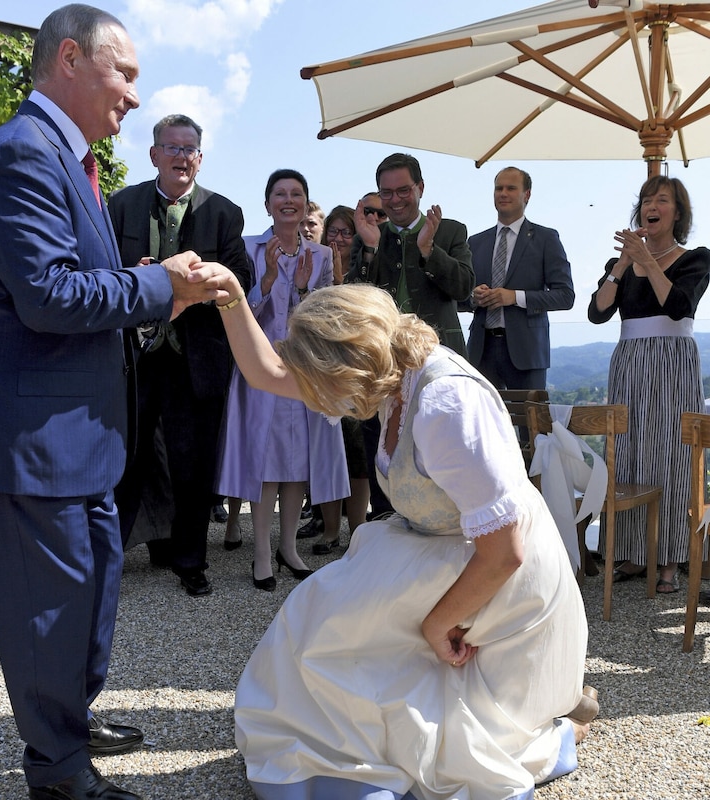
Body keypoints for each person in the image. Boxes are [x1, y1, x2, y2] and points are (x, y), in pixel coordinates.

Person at [0, 6, 227, 799]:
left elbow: (72, 285)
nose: (134, 96)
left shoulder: (67, 158)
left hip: (78, 437)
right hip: (32, 440)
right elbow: (48, 296)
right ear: (70, 58)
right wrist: (159, 284)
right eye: (125, 74)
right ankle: (59, 773)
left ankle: (69, 718)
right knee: (50, 615)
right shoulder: (19, 155)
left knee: (91, 594)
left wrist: (147, 290)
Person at [189, 263, 592, 799]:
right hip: (440, 547)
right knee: (319, 610)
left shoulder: (446, 405)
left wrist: (434, 625)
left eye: (317, 383)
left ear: (349, 364)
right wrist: (232, 299)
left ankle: (558, 719)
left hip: (501, 580)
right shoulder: (392, 373)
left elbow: (505, 551)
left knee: (360, 651)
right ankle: (331, 726)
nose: (311, 398)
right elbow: (267, 374)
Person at [108, 113, 251, 596]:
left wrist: (205, 281)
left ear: (200, 158)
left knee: (194, 465)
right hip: (135, 357)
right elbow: (100, 273)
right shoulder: (120, 206)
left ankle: (191, 560)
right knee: (124, 459)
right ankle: (109, 559)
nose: (181, 157)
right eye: (172, 148)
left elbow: (242, 279)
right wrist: (137, 275)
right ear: (154, 155)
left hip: (197, 358)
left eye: (189, 149)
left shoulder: (225, 212)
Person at [215, 169, 349, 590]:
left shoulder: (322, 256)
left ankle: (287, 547)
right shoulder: (249, 249)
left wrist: (306, 290)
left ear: (306, 203)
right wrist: (269, 280)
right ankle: (260, 553)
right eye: (280, 194)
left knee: (296, 462)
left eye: (296, 194)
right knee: (265, 460)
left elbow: (325, 320)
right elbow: (239, 314)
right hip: (259, 366)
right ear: (268, 202)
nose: (288, 200)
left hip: (303, 369)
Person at [588, 176, 710, 594]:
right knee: (628, 451)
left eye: (662, 200)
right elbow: (597, 313)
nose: (651, 205)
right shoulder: (621, 262)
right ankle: (631, 552)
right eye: (645, 199)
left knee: (672, 454)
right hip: (628, 361)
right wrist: (623, 265)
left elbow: (679, 306)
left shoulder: (696, 258)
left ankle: (670, 560)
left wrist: (650, 260)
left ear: (678, 212)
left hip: (672, 361)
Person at [348, 152, 474, 356]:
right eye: (386, 193)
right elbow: (355, 300)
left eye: (403, 190)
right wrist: (370, 248)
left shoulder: (450, 231)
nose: (395, 199)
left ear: (420, 188)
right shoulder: (366, 238)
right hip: (383, 352)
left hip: (439, 351)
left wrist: (429, 251)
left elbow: (463, 288)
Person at [298, 204, 371, 552]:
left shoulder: (364, 267)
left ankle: (357, 530)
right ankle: (329, 531)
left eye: (346, 233)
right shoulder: (313, 264)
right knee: (328, 454)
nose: (339, 238)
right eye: (335, 232)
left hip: (356, 374)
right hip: (321, 372)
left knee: (357, 456)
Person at [464, 166, 574, 391]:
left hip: (527, 353)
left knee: (531, 425)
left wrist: (515, 297)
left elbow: (565, 296)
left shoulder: (545, 239)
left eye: (511, 188)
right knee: (482, 425)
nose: (503, 193)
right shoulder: (476, 243)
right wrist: (473, 297)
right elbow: (457, 297)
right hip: (480, 352)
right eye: (498, 188)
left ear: (527, 195)